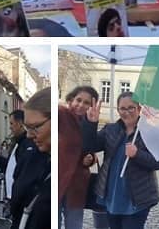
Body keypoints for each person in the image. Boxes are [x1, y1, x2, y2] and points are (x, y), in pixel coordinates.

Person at [81, 92, 159, 229]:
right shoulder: (111, 129)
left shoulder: (149, 132)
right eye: (123, 108)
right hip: (112, 196)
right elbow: (90, 146)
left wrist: (137, 154)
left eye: (131, 108)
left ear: (139, 109)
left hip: (137, 198)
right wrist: (91, 124)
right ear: (118, 110)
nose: (127, 112)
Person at [0, 90, 51, 229]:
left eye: (35, 127)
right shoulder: (26, 146)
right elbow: (15, 171)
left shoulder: (38, 153)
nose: (29, 135)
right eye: (28, 128)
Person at [61, 87, 99, 229]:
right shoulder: (60, 118)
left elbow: (89, 149)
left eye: (87, 103)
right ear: (71, 100)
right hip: (57, 183)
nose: (81, 105)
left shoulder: (89, 123)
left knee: (74, 225)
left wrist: (90, 158)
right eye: (78, 100)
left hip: (76, 186)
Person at [0, 110, 38, 204]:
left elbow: (25, 174)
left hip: (21, 199)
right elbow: (12, 167)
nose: (10, 127)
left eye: (11, 123)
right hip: (13, 196)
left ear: (20, 124)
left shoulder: (27, 145)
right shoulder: (18, 143)